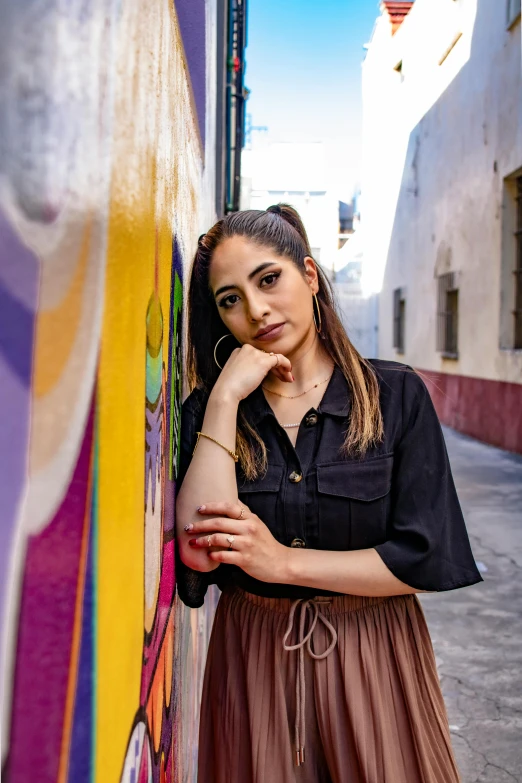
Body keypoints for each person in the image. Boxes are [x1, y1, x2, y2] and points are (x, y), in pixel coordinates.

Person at [174, 203, 483, 783]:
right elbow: (197, 554)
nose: (256, 309)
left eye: (269, 280)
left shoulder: (394, 396)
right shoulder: (214, 413)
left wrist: (283, 562)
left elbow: (423, 555)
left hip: (375, 652)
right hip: (253, 660)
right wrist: (223, 401)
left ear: (310, 277)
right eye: (230, 299)